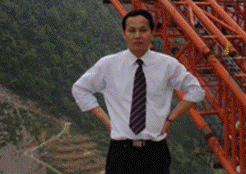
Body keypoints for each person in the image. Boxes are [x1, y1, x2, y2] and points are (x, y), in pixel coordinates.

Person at [72, 9, 205, 174]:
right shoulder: (108, 65)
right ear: (124, 34)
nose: (137, 36)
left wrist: (170, 119)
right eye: (132, 30)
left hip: (155, 152)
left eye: (143, 30)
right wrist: (106, 120)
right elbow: (80, 89)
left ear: (151, 33)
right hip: (121, 152)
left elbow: (196, 91)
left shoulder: (168, 65)